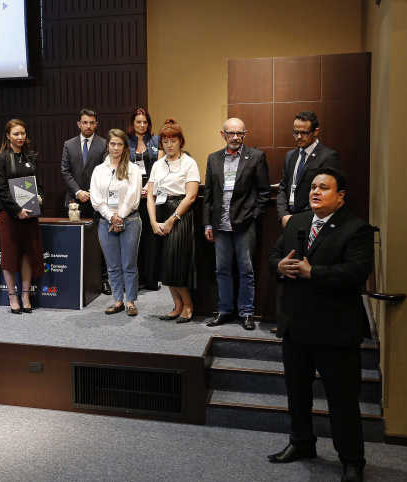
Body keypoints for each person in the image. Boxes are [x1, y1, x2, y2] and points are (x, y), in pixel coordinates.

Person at [267, 168, 373, 482]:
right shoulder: (297, 221)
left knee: (342, 401)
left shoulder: (356, 229)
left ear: (340, 196)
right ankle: (301, 442)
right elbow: (274, 254)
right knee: (297, 393)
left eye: (324, 188)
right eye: (313, 187)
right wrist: (279, 266)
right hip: (296, 325)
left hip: (335, 330)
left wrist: (313, 272)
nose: (315, 192)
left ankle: (352, 461)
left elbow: (355, 273)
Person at [203, 118, 271, 330]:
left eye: (239, 133)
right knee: (222, 269)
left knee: (246, 270)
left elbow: (264, 192)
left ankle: (246, 312)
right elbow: (208, 195)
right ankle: (224, 310)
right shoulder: (213, 158)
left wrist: (254, 216)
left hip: (245, 224)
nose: (235, 137)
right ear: (222, 134)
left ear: (245, 134)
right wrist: (207, 224)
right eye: (231, 133)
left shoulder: (256, 157)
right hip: (220, 225)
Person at [146, 118, 200, 323]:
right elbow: (150, 196)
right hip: (160, 213)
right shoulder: (158, 165)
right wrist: (153, 222)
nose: (169, 145)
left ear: (180, 142)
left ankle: (188, 305)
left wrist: (172, 219)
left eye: (173, 140)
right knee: (164, 264)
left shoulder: (189, 163)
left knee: (176, 263)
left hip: (179, 215)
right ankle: (177, 306)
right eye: (165, 141)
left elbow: (191, 196)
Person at [0, 119, 44, 314]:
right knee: (10, 255)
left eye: (22, 133)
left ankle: (25, 295)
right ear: (8, 136)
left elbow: (38, 185)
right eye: (16, 134)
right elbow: (1, 189)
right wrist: (17, 210)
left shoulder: (30, 156)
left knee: (28, 254)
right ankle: (12, 296)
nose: (20, 137)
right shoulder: (2, 158)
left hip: (30, 214)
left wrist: (39, 202)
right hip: (9, 214)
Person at [91, 129, 143, 316]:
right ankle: (118, 300)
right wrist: (110, 217)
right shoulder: (99, 170)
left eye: (120, 144)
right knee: (112, 265)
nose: (116, 147)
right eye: (113, 144)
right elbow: (96, 198)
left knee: (129, 264)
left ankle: (130, 301)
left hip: (130, 220)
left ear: (124, 147)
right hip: (106, 222)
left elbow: (133, 195)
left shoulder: (133, 169)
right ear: (107, 145)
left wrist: (119, 216)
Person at [61, 108, 110, 294]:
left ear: (96, 124)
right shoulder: (69, 144)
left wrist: (91, 192)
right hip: (74, 200)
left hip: (97, 200)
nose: (88, 126)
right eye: (85, 122)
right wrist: (79, 191)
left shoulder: (104, 144)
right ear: (78, 124)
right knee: (74, 242)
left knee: (100, 242)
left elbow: (106, 171)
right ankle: (74, 278)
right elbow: (65, 171)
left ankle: (103, 280)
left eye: (91, 123)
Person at [277, 110, 341, 228]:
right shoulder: (290, 156)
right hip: (288, 219)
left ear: (315, 131)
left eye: (304, 133)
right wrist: (283, 214)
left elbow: (326, 194)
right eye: (295, 132)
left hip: (313, 221)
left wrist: (298, 219)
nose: (299, 137)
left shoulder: (328, 156)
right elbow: (283, 187)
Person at [125, 107, 159, 291]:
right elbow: (123, 167)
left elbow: (159, 166)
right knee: (133, 237)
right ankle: (135, 280)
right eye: (138, 122)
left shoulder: (155, 140)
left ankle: (151, 279)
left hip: (151, 192)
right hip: (132, 193)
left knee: (150, 238)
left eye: (145, 122)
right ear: (133, 123)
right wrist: (137, 189)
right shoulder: (126, 140)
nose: (142, 125)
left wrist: (148, 187)